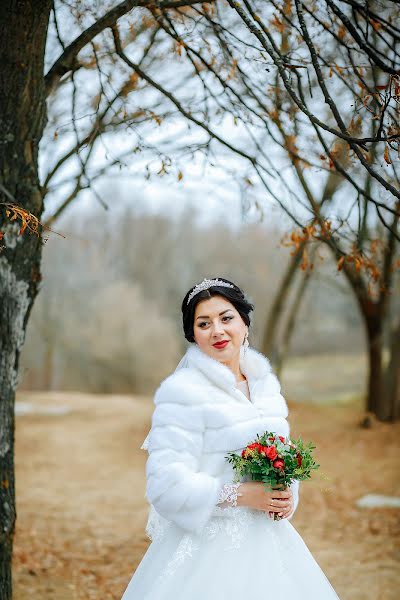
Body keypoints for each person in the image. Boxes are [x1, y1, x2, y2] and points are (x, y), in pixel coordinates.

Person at [121, 277, 340, 599]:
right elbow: (165, 486)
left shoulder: (265, 387)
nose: (217, 331)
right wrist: (242, 495)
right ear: (193, 335)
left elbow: (281, 456)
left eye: (226, 318)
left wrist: (285, 495)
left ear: (245, 323)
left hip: (271, 543)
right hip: (206, 550)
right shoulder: (183, 392)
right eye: (204, 323)